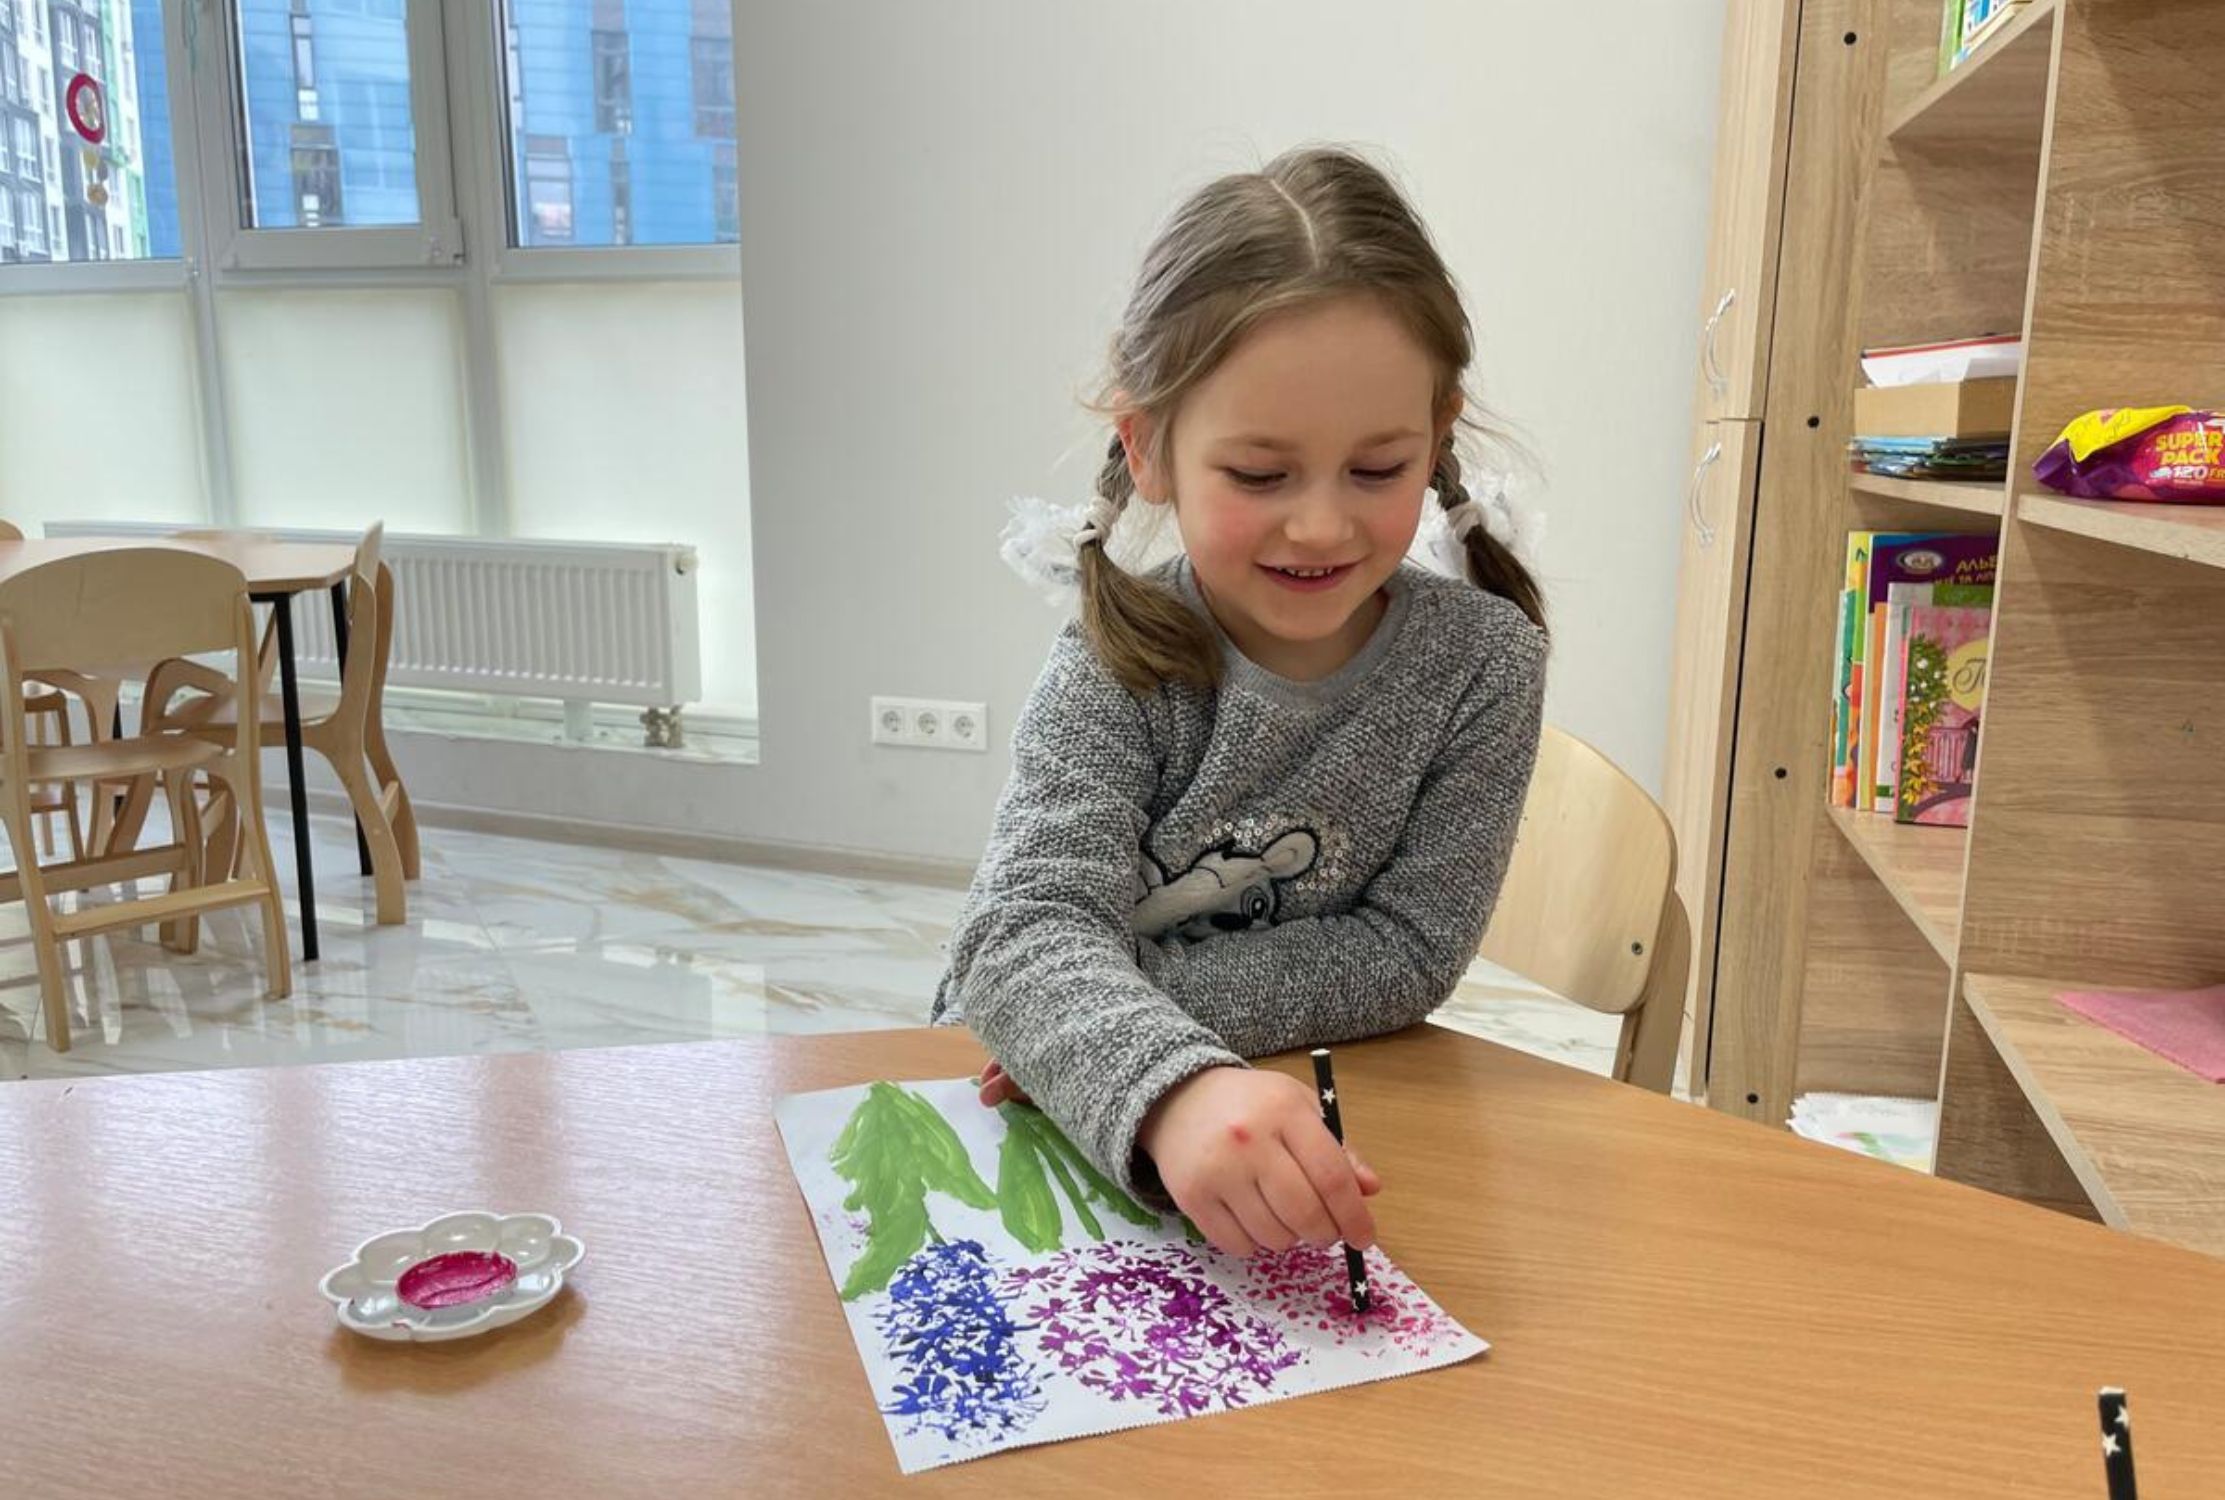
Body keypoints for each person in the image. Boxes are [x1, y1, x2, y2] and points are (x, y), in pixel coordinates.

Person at [932, 144, 1548, 1262]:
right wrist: (1162, 1083)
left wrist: (1136, 1029)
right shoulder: (1116, 658)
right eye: (1259, 476)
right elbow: (1017, 937)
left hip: (1177, 1072)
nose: (1319, 526)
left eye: (1376, 470)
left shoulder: (1483, 663)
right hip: (1043, 1111)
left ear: (1437, 435)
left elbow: (1409, 952)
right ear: (1149, 447)